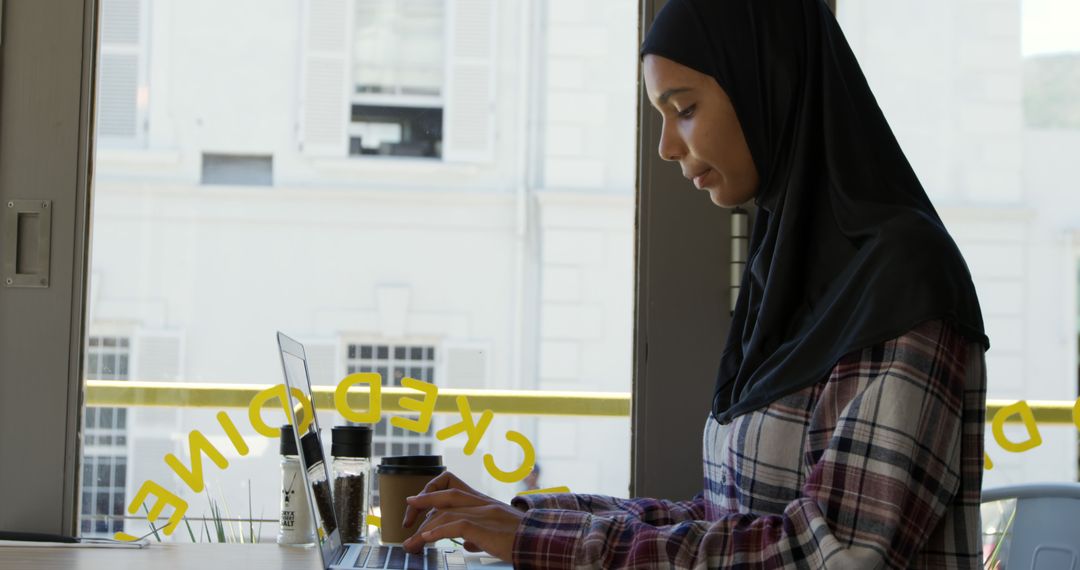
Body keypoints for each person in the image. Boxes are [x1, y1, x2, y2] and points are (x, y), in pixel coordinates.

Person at [402, 0, 990, 567]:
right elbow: (721, 521)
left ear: (769, 81)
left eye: (683, 109)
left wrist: (536, 542)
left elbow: (834, 554)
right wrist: (527, 521)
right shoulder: (784, 277)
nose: (666, 146)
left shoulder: (905, 279)